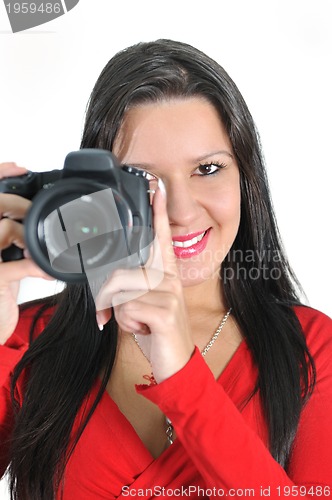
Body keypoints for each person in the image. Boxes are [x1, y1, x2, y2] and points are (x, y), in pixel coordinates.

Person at [0, 39, 331, 500]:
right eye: (143, 180)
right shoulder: (27, 339)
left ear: (246, 177)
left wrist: (183, 377)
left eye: (208, 168)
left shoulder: (313, 348)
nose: (179, 211)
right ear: (95, 188)